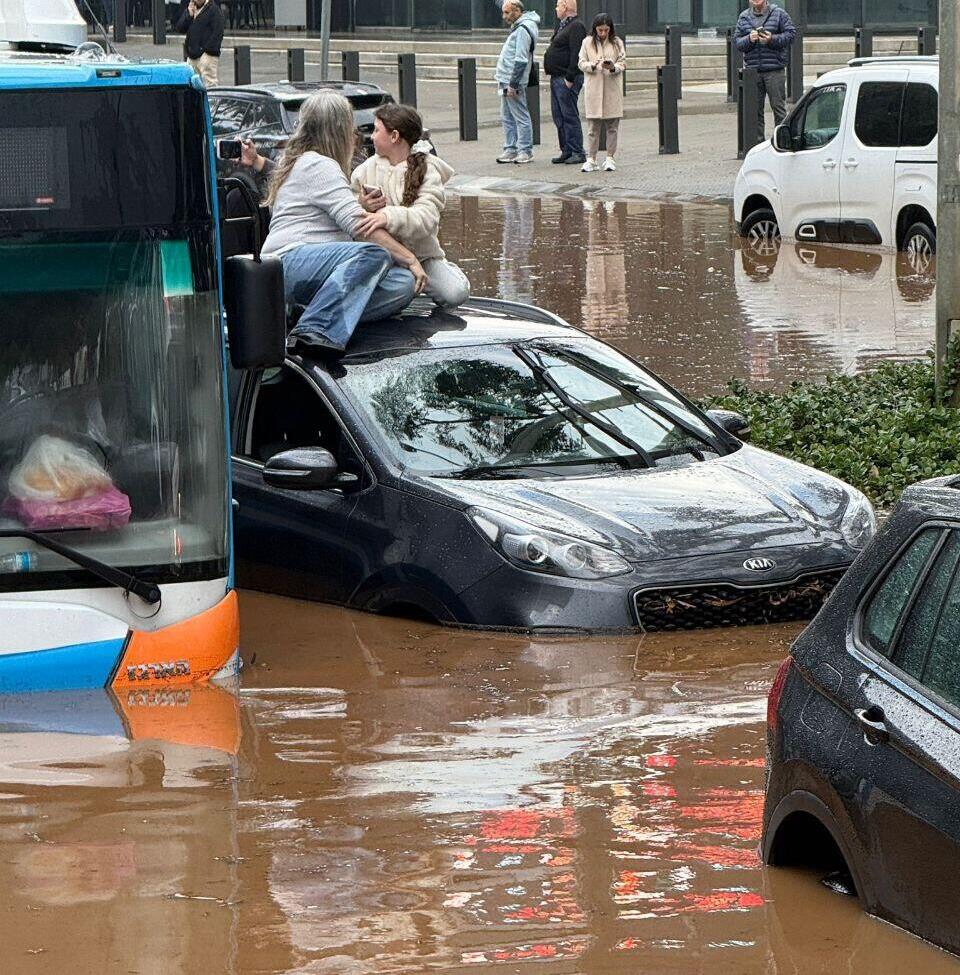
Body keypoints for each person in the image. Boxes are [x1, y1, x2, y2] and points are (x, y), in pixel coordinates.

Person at [261, 91, 427, 353]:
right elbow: (361, 229)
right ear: (336, 130)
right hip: (290, 261)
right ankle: (314, 329)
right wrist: (411, 258)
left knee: (403, 284)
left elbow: (330, 216)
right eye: (350, 127)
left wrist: (359, 205)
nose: (356, 135)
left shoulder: (306, 163)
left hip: (311, 271)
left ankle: (311, 312)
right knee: (375, 254)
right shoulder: (318, 164)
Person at [351, 105, 470, 309]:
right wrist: (361, 204)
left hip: (422, 256)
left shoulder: (428, 170)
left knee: (454, 293)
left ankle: (446, 272)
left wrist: (387, 216)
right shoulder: (365, 170)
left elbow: (427, 218)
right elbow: (348, 215)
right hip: (380, 255)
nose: (371, 137)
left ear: (394, 136)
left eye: (376, 130)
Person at [735, 0, 796, 142]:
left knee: (779, 109)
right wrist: (749, 39)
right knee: (755, 112)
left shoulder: (779, 13)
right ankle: (758, 145)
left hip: (774, 70)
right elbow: (737, 42)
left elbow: (791, 35)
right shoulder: (743, 17)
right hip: (752, 71)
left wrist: (771, 39)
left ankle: (782, 142)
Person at [494, 0, 541, 165]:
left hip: (512, 80)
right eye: (503, 12)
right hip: (506, 78)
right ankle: (511, 148)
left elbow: (521, 60)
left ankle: (525, 150)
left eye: (507, 13)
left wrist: (513, 84)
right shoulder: (519, 27)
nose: (504, 16)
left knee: (520, 116)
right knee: (507, 116)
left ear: (518, 11)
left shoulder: (523, 29)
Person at [577, 13, 625, 173]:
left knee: (612, 126)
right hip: (594, 88)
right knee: (592, 127)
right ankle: (591, 159)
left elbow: (622, 63)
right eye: (600, 30)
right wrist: (592, 65)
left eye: (605, 30)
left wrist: (613, 67)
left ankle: (610, 158)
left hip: (612, 88)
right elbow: (581, 62)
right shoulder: (587, 42)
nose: (603, 33)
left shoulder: (617, 43)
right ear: (595, 29)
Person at [544, 0, 587, 166]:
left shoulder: (576, 26)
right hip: (556, 77)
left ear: (565, 7)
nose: (555, 9)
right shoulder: (562, 25)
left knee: (569, 114)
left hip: (566, 78)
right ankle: (566, 149)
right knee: (559, 115)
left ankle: (577, 151)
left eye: (557, 5)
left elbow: (576, 53)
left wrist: (570, 77)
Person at [176, 0, 225, 89]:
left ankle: (211, 102)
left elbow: (218, 32)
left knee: (209, 84)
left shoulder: (213, 10)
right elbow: (180, 28)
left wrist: (207, 51)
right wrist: (189, 15)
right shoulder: (191, 8)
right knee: (191, 85)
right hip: (192, 55)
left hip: (206, 55)